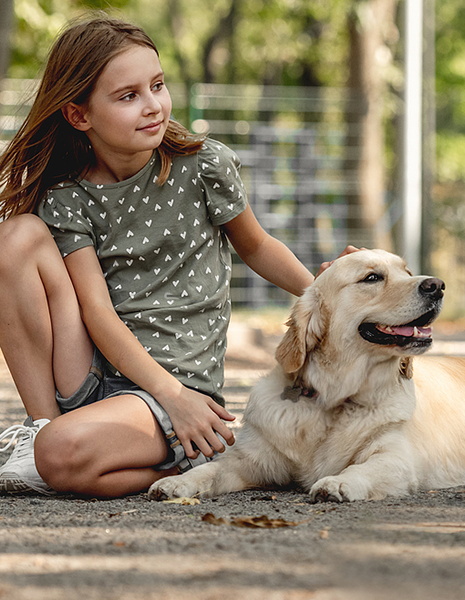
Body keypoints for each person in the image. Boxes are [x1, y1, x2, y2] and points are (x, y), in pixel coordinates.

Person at [0, 14, 335, 498]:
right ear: (79, 115)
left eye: (157, 85)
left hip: (176, 388)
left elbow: (258, 246)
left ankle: (198, 463)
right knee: (15, 236)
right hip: (91, 370)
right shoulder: (68, 195)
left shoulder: (203, 166)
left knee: (60, 457)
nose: (153, 105)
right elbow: (95, 311)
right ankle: (41, 428)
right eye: (128, 96)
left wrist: (323, 295)